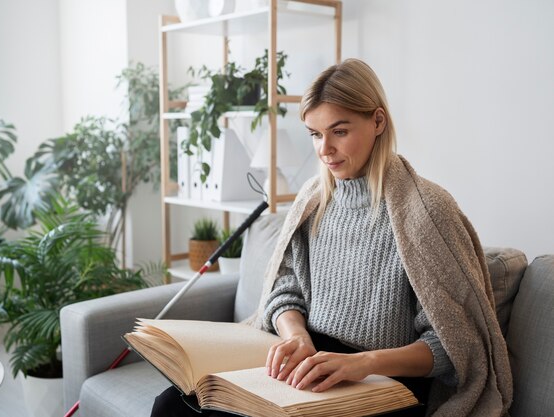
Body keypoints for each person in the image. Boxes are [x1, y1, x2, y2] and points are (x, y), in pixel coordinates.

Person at [152, 58, 512, 417]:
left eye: (339, 131)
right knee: (172, 404)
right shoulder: (313, 200)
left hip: (386, 382)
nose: (324, 149)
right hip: (313, 364)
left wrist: (362, 364)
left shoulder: (428, 211)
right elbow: (284, 290)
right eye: (315, 134)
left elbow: (455, 344)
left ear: (378, 121)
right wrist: (296, 337)